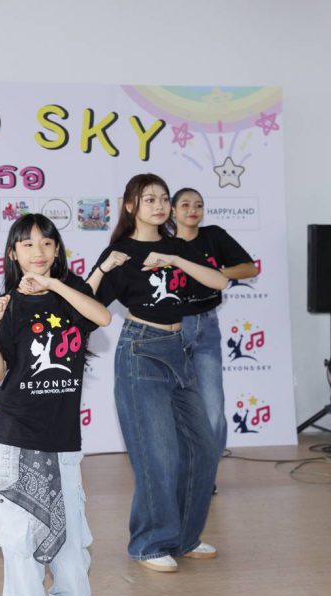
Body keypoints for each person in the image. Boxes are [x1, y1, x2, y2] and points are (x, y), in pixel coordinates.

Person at [86, 174, 228, 573]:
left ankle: (184, 538)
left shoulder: (177, 246)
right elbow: (87, 307)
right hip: (141, 350)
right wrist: (103, 267)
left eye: (164, 198)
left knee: (203, 447)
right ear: (130, 205)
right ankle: (149, 543)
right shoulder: (121, 251)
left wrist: (176, 260)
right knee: (159, 455)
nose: (160, 205)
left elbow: (219, 281)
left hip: (180, 348)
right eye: (149, 199)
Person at [0, 213, 111, 596]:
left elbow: (103, 317)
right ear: (13, 254)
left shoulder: (72, 296)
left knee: (71, 535)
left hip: (63, 436)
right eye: (27, 244)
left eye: (46, 243)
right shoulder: (8, 305)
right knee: (20, 535)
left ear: (57, 251)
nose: (37, 252)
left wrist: (54, 284)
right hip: (16, 433)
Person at [170, 188, 258, 473]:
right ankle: (180, 472)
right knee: (172, 407)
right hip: (171, 328)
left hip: (207, 327)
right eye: (185, 205)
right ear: (172, 211)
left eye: (198, 205)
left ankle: (206, 475)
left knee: (213, 407)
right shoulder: (163, 243)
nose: (192, 210)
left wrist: (218, 273)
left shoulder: (213, 236)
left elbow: (249, 268)